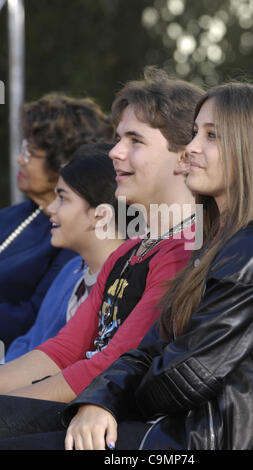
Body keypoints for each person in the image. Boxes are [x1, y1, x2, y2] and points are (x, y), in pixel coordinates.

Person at [1, 81, 253, 450]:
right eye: (193, 134)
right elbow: (143, 349)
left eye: (211, 136)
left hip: (181, 439)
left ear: (251, 147)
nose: (192, 148)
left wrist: (102, 399)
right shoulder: (202, 242)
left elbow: (189, 373)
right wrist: (100, 398)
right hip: (153, 424)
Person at [0, 67, 202, 420]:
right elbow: (62, 349)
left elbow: (115, 363)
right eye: (118, 138)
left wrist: (13, 409)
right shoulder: (129, 250)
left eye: (134, 141)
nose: (115, 152)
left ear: (184, 157)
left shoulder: (186, 250)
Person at [0, 93, 114, 350]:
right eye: (22, 149)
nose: (20, 159)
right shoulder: (16, 215)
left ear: (62, 162)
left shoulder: (72, 239)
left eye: (30, 152)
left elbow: (33, 322)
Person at [4, 142, 125, 362]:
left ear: (100, 216)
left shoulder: (123, 284)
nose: (50, 208)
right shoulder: (71, 270)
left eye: (62, 198)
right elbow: (30, 341)